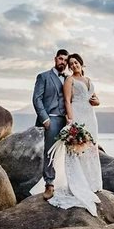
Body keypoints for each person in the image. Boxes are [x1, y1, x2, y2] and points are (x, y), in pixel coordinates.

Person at [45, 52, 102, 216]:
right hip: (78, 115)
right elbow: (67, 101)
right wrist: (71, 120)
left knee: (91, 149)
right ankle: (77, 184)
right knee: (76, 150)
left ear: (81, 64)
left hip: (91, 117)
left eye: (76, 63)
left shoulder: (89, 80)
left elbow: (95, 98)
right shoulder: (70, 80)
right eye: (71, 64)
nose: (74, 65)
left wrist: (97, 101)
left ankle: (92, 183)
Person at [32, 49, 69, 200]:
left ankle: (72, 182)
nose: (63, 62)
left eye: (66, 61)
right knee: (50, 152)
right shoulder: (44, 76)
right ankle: (49, 184)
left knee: (71, 151)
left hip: (67, 120)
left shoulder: (69, 79)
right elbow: (37, 99)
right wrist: (45, 119)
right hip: (52, 118)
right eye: (61, 59)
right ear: (55, 59)